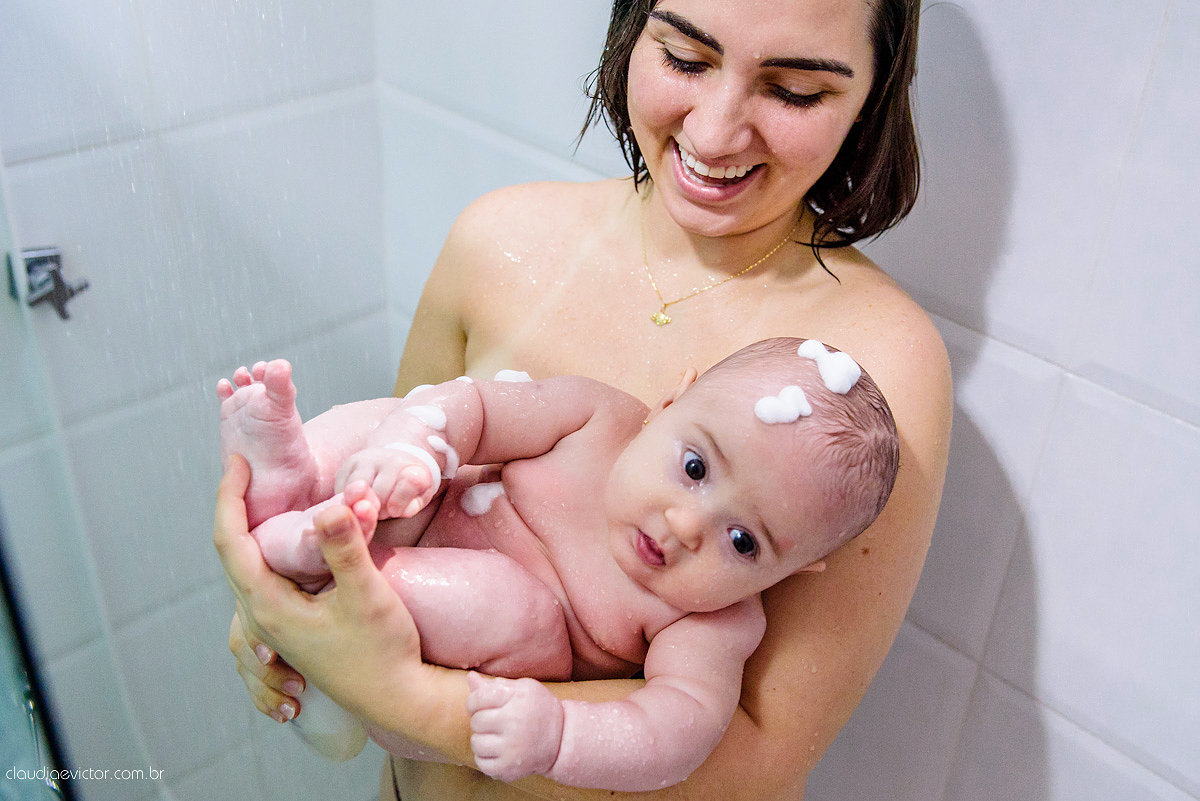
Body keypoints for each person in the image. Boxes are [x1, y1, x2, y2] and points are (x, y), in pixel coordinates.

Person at [214, 0, 953, 798]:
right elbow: (387, 499)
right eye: (685, 57)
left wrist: (399, 695)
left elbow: (756, 760)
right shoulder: (499, 239)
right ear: (634, 29)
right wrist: (281, 614)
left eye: (794, 92)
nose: (714, 135)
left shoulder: (876, 371)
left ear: (873, 94)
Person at [218, 338, 899, 790]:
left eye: (744, 541)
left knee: (514, 605)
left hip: (432, 656)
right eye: (694, 468)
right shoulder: (597, 418)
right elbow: (478, 407)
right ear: (669, 404)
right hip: (400, 523)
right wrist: (411, 450)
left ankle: (316, 558)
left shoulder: (709, 624)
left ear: (793, 571)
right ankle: (295, 481)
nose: (686, 526)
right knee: (406, 421)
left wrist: (560, 735)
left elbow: (677, 728)